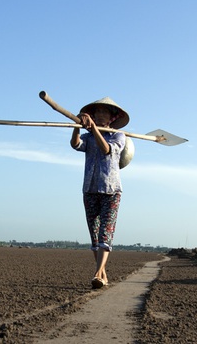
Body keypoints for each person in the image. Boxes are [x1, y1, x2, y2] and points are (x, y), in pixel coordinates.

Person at [70, 97, 129, 289]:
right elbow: (76, 144)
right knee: (94, 236)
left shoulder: (118, 136)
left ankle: (97, 273)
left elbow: (106, 150)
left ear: (112, 117)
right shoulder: (88, 136)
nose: (100, 115)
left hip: (111, 191)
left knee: (105, 233)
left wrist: (94, 128)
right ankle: (102, 274)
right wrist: (78, 126)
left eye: (104, 112)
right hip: (90, 189)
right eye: (97, 112)